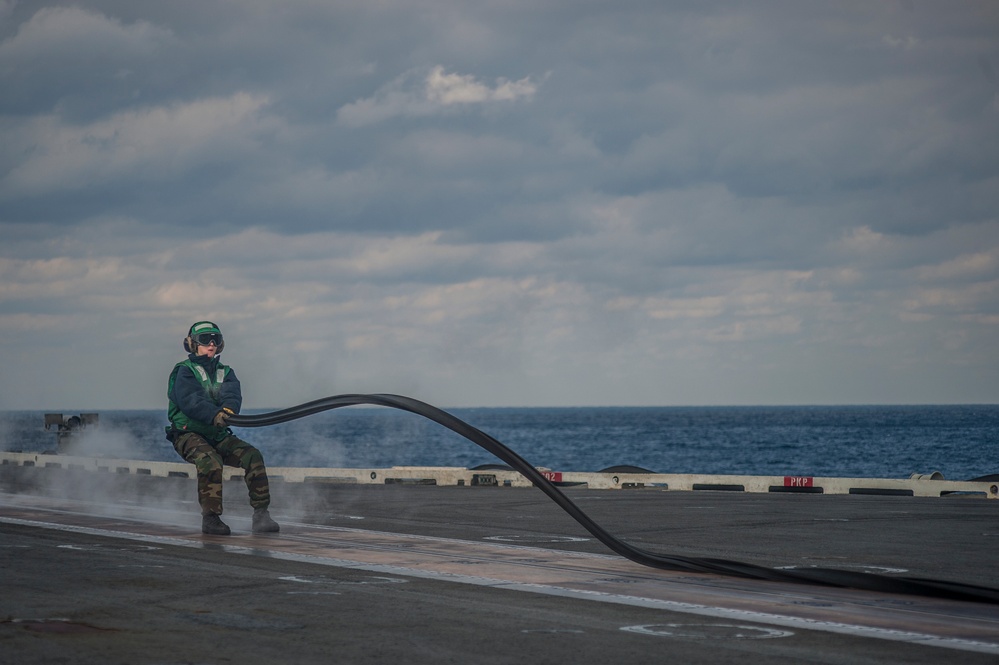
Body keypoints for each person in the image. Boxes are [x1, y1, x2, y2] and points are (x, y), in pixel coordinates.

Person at [165, 321, 280, 535]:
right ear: (191, 344)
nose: (211, 344)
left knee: (253, 456)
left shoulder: (225, 372)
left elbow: (232, 395)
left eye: (215, 340)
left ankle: (261, 515)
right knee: (210, 460)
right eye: (205, 340)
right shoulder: (184, 371)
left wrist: (227, 411)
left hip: (217, 433)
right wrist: (214, 415)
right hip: (187, 434)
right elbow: (191, 400)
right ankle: (210, 518)